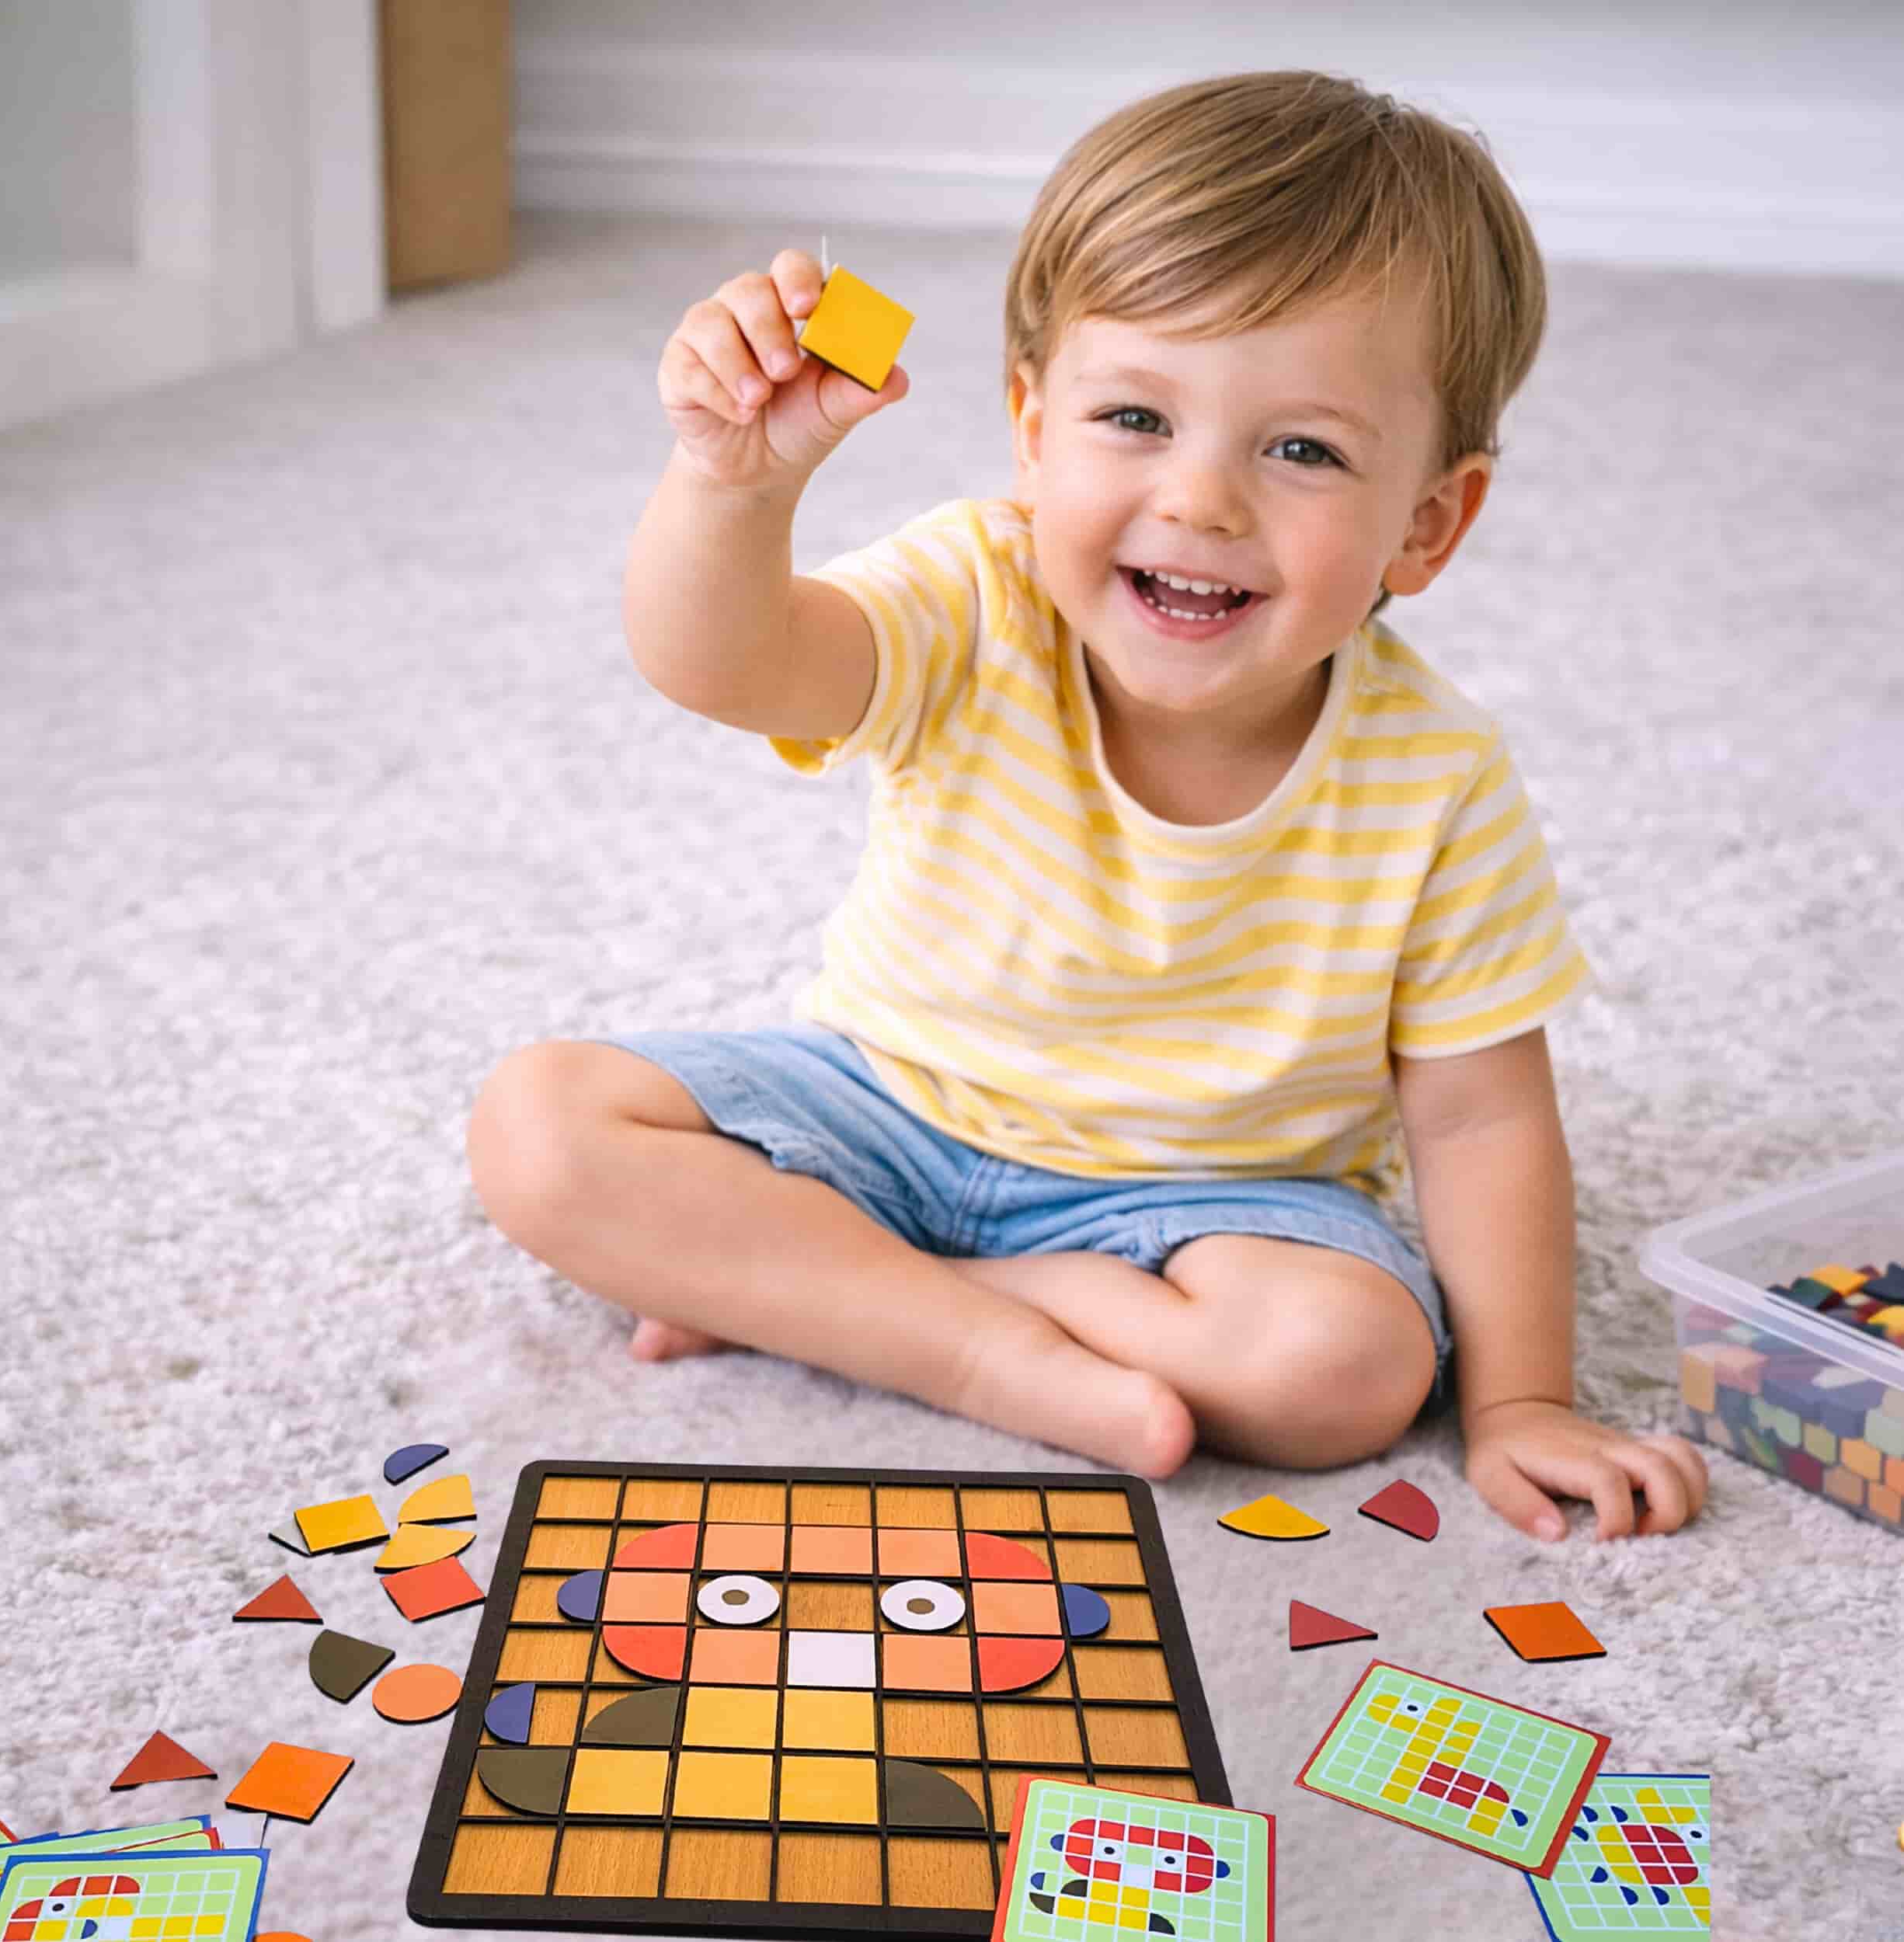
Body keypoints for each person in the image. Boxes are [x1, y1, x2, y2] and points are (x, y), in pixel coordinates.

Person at [468, 70, 1707, 1538]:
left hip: (1210, 1205)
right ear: (1032, 428)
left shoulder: (1437, 777)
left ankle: (826, 1295)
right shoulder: (974, 597)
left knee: (1352, 1368)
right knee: (540, 1125)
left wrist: (1520, 1401)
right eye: (1134, 416)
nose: (1202, 501)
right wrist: (727, 482)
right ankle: (985, 1350)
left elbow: (1486, 1123)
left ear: (1428, 524)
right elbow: (721, 664)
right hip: (891, 1113)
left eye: (1301, 449)